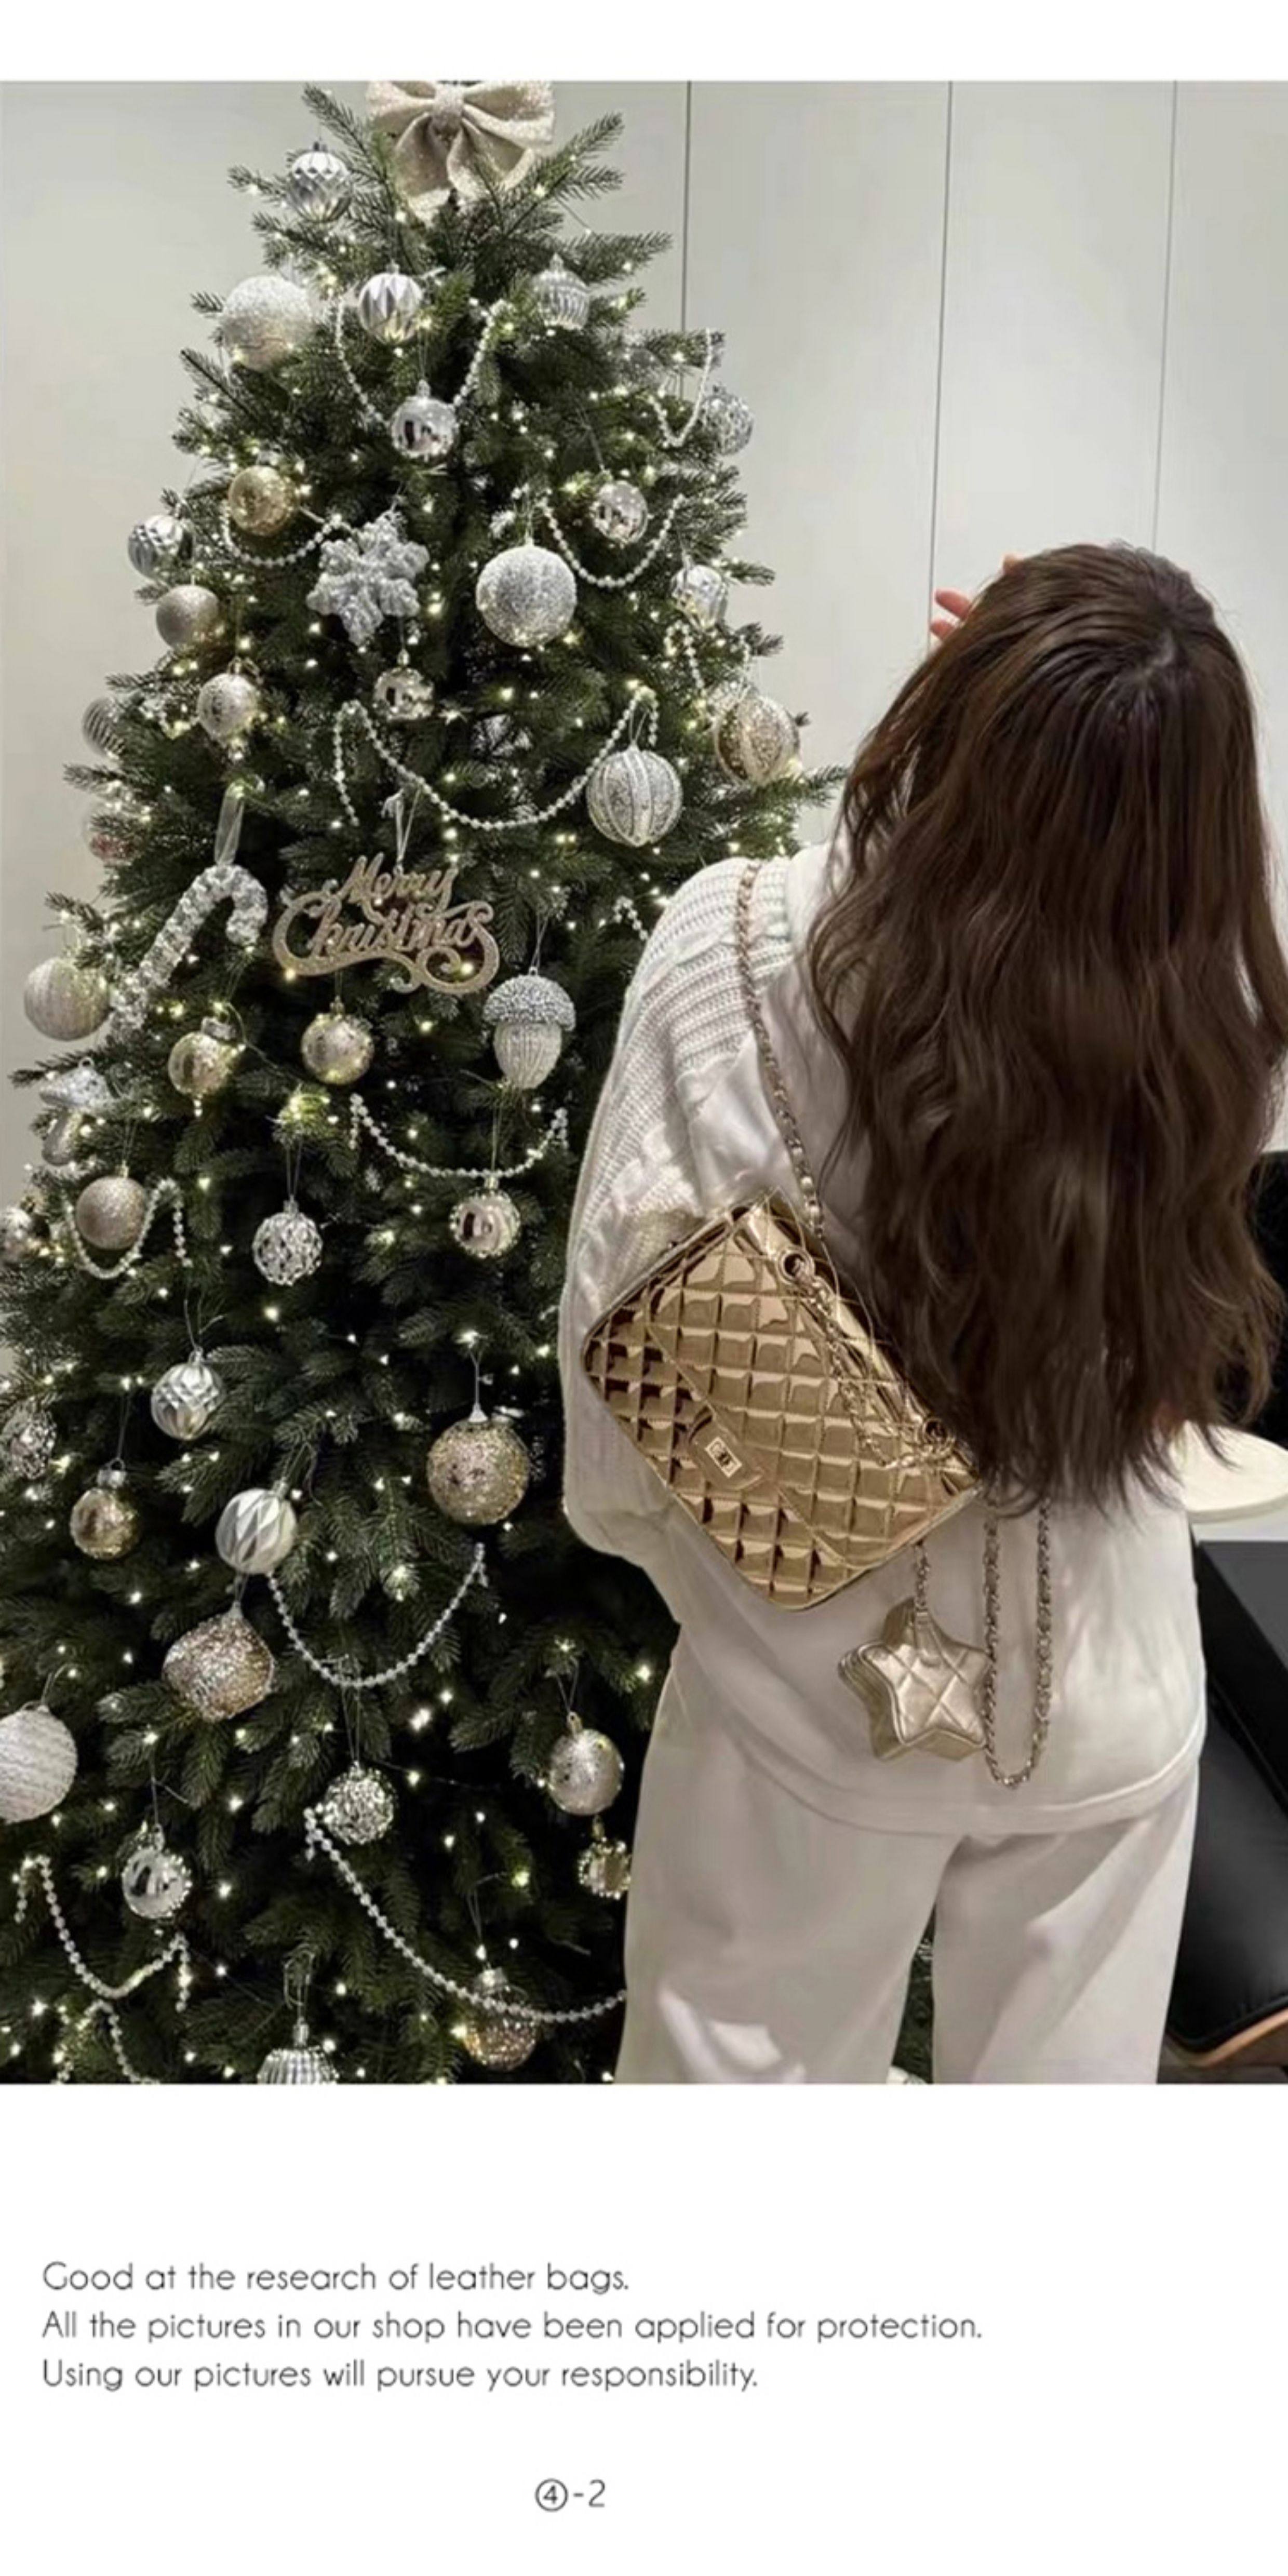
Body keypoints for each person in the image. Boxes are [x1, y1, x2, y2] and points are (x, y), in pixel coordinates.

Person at [557, 544, 1288, 2084]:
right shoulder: (1210, 1021)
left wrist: (1002, 697)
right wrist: (1091, 720)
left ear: (945, 712)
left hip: (817, 1684)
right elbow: (1167, 1380)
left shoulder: (736, 942)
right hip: (1108, 1685)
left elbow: (622, 1324)